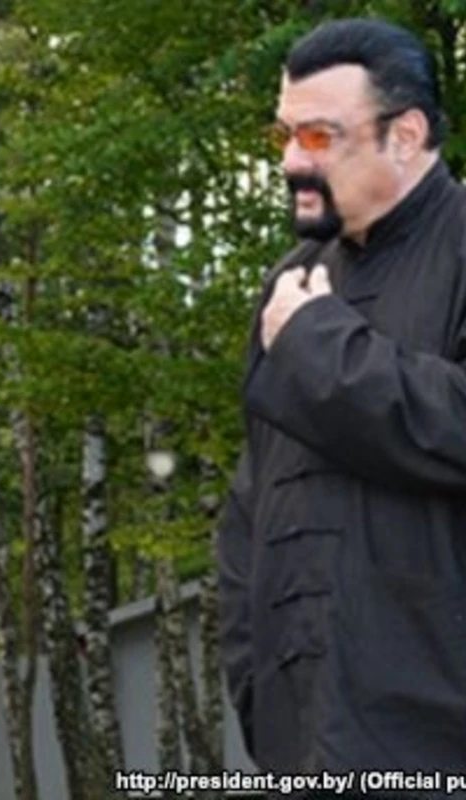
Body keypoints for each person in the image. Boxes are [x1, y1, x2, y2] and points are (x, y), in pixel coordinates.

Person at [217, 16, 466, 788]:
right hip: (303, 745)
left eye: (320, 138)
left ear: (406, 134)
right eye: (284, 137)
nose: (292, 162)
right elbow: (251, 505)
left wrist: (319, 345)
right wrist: (257, 686)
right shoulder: (291, 284)